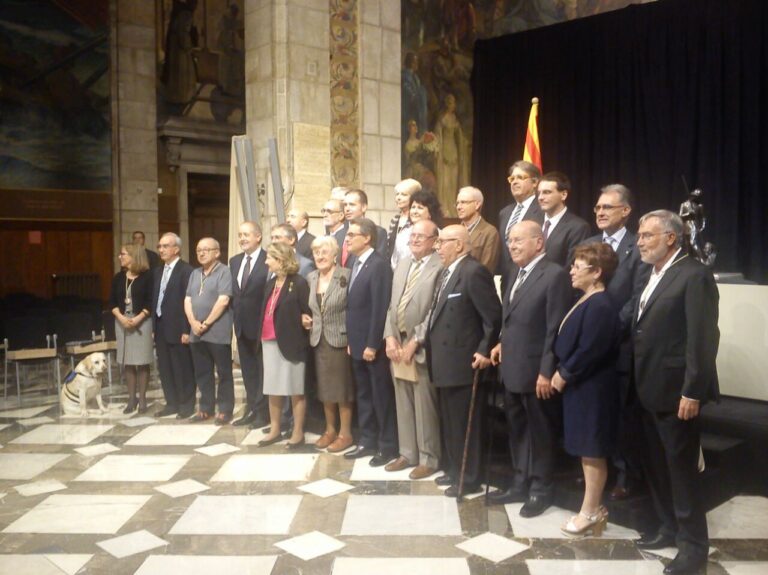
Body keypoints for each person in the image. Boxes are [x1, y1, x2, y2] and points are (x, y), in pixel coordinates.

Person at [632, 210, 719, 575]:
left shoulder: (693, 275)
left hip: (676, 393)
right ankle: (668, 527)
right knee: (657, 466)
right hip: (647, 387)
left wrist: (692, 391)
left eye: (647, 235)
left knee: (682, 473)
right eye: (639, 235)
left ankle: (694, 546)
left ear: (671, 238)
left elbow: (702, 338)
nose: (639, 241)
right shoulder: (650, 273)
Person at [489, 221, 571, 516]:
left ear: (539, 242)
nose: (511, 246)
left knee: (540, 433)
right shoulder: (513, 272)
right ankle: (519, 481)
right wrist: (500, 342)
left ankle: (540, 489)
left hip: (537, 371)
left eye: (518, 241)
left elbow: (555, 328)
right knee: (517, 430)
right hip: (511, 367)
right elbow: (509, 317)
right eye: (510, 241)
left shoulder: (555, 275)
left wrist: (547, 371)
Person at [586, 184, 651, 501]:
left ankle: (626, 474)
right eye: (598, 207)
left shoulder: (638, 248)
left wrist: (609, 328)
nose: (599, 212)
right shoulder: (587, 245)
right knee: (596, 410)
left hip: (621, 343)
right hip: (591, 346)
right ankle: (596, 472)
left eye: (607, 207)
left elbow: (637, 296)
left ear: (626, 211)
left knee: (623, 414)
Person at [551, 243, 620, 537]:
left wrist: (565, 373)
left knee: (592, 450)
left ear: (597, 273)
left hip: (593, 389)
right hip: (582, 388)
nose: (572, 270)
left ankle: (591, 511)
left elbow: (591, 348)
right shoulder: (587, 298)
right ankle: (591, 508)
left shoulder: (601, 304)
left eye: (578, 266)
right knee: (585, 448)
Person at [427, 225, 501, 497]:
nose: (438, 247)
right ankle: (454, 470)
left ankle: (468, 477)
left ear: (459, 245)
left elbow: (492, 316)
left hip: (464, 361)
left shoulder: (473, 271)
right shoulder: (446, 272)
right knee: (449, 421)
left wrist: (484, 349)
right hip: (444, 361)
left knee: (464, 422)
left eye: (442, 242)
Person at [383, 219, 443, 479]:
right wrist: (389, 337)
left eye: (421, 236)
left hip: (421, 345)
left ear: (434, 240)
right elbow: (392, 305)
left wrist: (415, 340)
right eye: (412, 236)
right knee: (403, 402)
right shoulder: (403, 264)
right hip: (397, 343)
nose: (415, 240)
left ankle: (429, 457)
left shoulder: (440, 266)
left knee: (423, 404)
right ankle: (407, 453)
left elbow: (434, 310)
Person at [343, 218, 396, 466]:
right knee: (363, 395)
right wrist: (352, 340)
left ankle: (387, 446)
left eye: (353, 234)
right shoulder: (355, 262)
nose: (347, 238)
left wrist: (373, 344)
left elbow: (379, 307)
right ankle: (367, 439)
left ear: (367, 238)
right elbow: (353, 306)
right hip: (356, 342)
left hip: (372, 346)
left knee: (380, 396)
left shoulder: (379, 265)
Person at [256, 243, 311, 448]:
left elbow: (307, 311)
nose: (266, 261)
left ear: (280, 259)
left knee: (295, 388)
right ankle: (275, 429)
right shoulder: (270, 283)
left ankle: (297, 432)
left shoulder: (298, 282)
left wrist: (306, 319)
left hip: (291, 343)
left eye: (270, 257)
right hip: (268, 340)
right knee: (273, 388)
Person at [304, 236, 355, 453]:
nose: (320, 256)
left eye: (324, 252)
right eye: (316, 252)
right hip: (318, 339)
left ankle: (346, 433)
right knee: (324, 387)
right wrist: (305, 318)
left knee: (341, 388)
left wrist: (353, 338)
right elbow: (309, 308)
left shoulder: (346, 275)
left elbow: (354, 309)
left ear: (335, 255)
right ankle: (330, 430)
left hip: (340, 339)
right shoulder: (310, 277)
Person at [184, 237, 235, 424]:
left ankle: (225, 409)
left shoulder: (224, 272)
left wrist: (205, 323)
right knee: (202, 372)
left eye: (206, 249)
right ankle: (205, 408)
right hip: (196, 332)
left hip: (217, 331)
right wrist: (193, 323)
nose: (201, 253)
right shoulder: (194, 273)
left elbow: (223, 300)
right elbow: (187, 300)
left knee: (223, 372)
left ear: (217, 252)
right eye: (198, 250)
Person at [229, 221, 270, 428]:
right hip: (242, 326)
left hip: (261, 326)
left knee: (262, 371)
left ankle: (264, 414)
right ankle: (251, 409)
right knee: (248, 372)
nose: (242, 239)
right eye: (240, 235)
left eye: (246, 235)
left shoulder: (267, 260)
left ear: (258, 237)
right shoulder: (235, 261)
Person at [152, 233, 196, 418]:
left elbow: (189, 301)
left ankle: (187, 404)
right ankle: (172, 402)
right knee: (165, 367)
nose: (161, 250)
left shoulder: (186, 270)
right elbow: (156, 299)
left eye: (165, 246)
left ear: (176, 249)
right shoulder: (158, 271)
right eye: (159, 246)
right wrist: (154, 328)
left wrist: (187, 330)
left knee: (182, 367)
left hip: (179, 327)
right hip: (161, 326)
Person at [111, 244, 154, 414]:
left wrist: (137, 318)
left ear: (133, 256)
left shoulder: (147, 277)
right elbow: (112, 302)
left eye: (122, 254)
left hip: (142, 322)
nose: (119, 257)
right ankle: (131, 398)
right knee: (128, 362)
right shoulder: (118, 277)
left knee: (142, 361)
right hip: (122, 322)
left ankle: (142, 398)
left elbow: (150, 302)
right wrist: (122, 318)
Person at [498, 161, 545, 293]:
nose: (514, 182)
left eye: (520, 177)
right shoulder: (505, 212)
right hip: (508, 279)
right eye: (512, 179)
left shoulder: (543, 210)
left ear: (535, 182)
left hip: (533, 279)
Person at [537, 172, 591, 267]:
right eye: (539, 193)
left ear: (564, 195)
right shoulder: (533, 222)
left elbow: (572, 267)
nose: (540, 197)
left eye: (547, 192)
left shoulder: (578, 227)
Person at [434, 93, 468, 217]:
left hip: (453, 151)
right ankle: (444, 207)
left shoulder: (455, 120)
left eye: (453, 102)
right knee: (445, 182)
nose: (451, 105)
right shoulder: (442, 119)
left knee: (453, 183)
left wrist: (463, 149)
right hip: (444, 151)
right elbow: (438, 136)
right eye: (449, 102)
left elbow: (460, 138)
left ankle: (453, 207)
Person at [455, 186, 500, 273]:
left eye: (463, 202)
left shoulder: (489, 232)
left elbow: (487, 269)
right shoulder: (455, 231)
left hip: (474, 283)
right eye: (457, 203)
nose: (459, 207)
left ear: (477, 205)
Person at [342, 189, 388, 259]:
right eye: (345, 205)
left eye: (352, 204)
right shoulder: (341, 232)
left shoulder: (378, 232)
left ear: (363, 207)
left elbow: (378, 262)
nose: (347, 209)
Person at [388, 178, 421, 270]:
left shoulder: (417, 220)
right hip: (393, 267)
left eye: (404, 194)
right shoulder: (395, 219)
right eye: (397, 194)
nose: (398, 198)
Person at [323, 198, 348, 264]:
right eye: (324, 211)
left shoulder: (347, 237)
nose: (325, 215)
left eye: (329, 212)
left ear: (341, 216)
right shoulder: (324, 237)